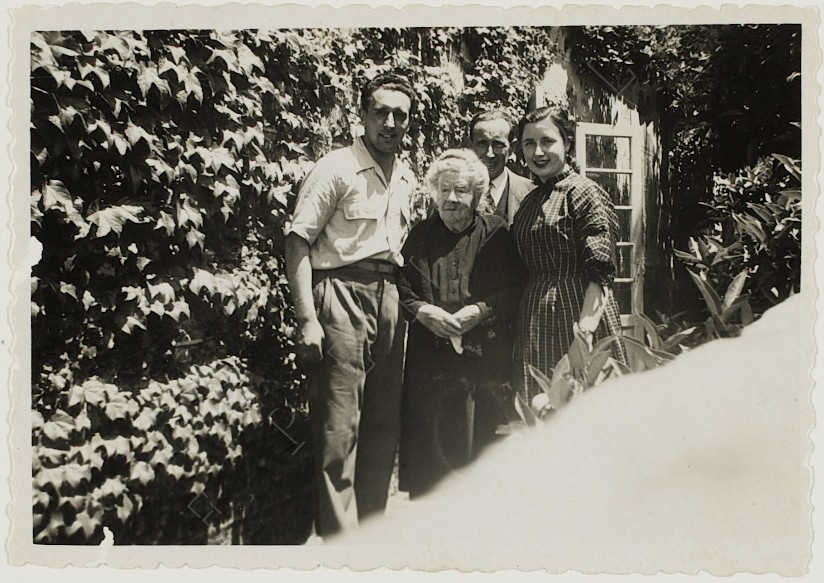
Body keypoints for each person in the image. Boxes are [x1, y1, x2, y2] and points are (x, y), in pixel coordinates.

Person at [284, 72, 417, 537]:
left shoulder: (405, 175)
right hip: (340, 294)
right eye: (381, 112)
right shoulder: (336, 168)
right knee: (339, 430)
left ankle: (370, 537)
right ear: (362, 114)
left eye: (400, 115)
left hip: (390, 298)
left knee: (383, 424)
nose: (390, 123)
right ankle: (340, 542)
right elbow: (297, 243)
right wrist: (307, 318)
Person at [397, 149, 526, 499]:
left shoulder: (497, 233)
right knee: (430, 464)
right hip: (430, 361)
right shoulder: (420, 234)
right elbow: (400, 285)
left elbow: (515, 288)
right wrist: (422, 311)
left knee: (477, 456)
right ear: (434, 192)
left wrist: (481, 311)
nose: (451, 198)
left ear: (477, 194)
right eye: (444, 189)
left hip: (480, 360)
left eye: (461, 190)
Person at [512, 105, 627, 404]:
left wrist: (584, 335)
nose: (538, 152)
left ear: (567, 143)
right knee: (540, 410)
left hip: (578, 314)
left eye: (547, 141)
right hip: (536, 321)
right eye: (529, 143)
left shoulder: (585, 192)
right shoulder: (529, 202)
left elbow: (600, 273)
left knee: (585, 407)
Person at [468, 110, 535, 224]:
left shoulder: (532, 193)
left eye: (498, 144)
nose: (490, 154)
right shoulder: (451, 192)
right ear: (471, 146)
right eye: (482, 144)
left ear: (512, 148)